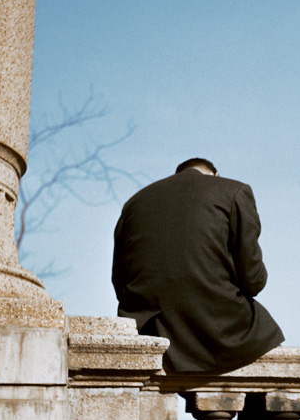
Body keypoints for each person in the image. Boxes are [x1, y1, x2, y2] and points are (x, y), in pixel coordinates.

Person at [112, 157, 284, 373]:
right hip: (219, 325)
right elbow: (253, 280)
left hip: (154, 328)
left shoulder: (134, 203)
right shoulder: (233, 190)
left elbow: (120, 281)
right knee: (265, 334)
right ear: (215, 175)